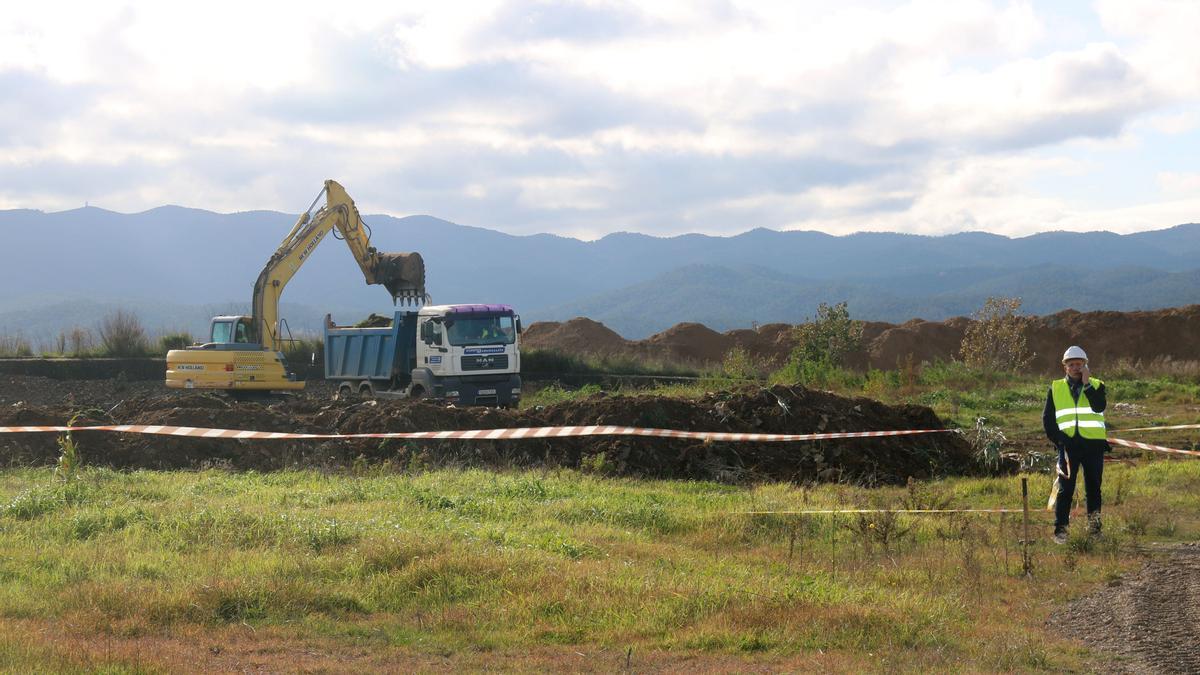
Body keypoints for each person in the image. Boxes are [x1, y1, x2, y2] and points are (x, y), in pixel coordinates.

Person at [1043, 345, 1109, 544]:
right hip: (1068, 447)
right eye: (1071, 364)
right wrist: (1060, 441)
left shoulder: (1097, 385)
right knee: (1065, 490)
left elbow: (1099, 406)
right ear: (1065, 367)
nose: (1075, 367)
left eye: (1079, 364)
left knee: (1094, 489)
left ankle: (1095, 530)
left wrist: (1087, 384)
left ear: (1085, 366)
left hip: (1093, 447)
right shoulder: (1055, 388)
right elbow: (1048, 420)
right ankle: (1060, 531)